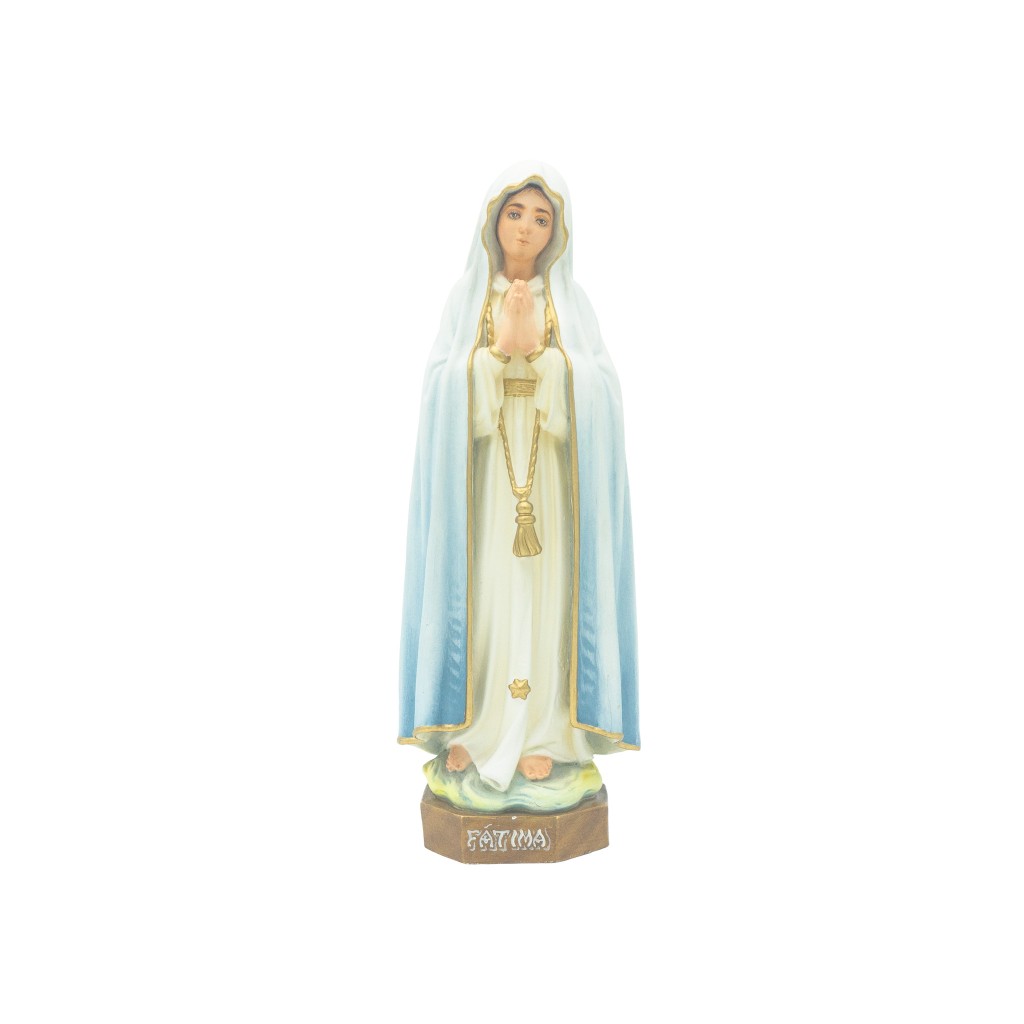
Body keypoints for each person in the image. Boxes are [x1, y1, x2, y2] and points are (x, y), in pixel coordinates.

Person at [399, 163, 638, 811]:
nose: (527, 228)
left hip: (551, 486)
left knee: (548, 598)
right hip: (485, 487)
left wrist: (548, 361)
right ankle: (478, 731)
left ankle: (546, 735)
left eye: (541, 217)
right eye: (515, 213)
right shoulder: (466, 299)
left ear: (557, 231)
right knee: (486, 603)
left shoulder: (573, 304)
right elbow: (438, 389)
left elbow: (604, 392)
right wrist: (494, 354)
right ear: (492, 220)